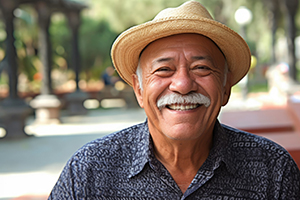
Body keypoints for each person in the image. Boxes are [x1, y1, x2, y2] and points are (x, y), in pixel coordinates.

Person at [49, 1, 300, 199]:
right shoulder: (89, 171)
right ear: (139, 89)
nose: (182, 84)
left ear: (225, 88)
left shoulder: (272, 170)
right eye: (163, 69)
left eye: (201, 68)